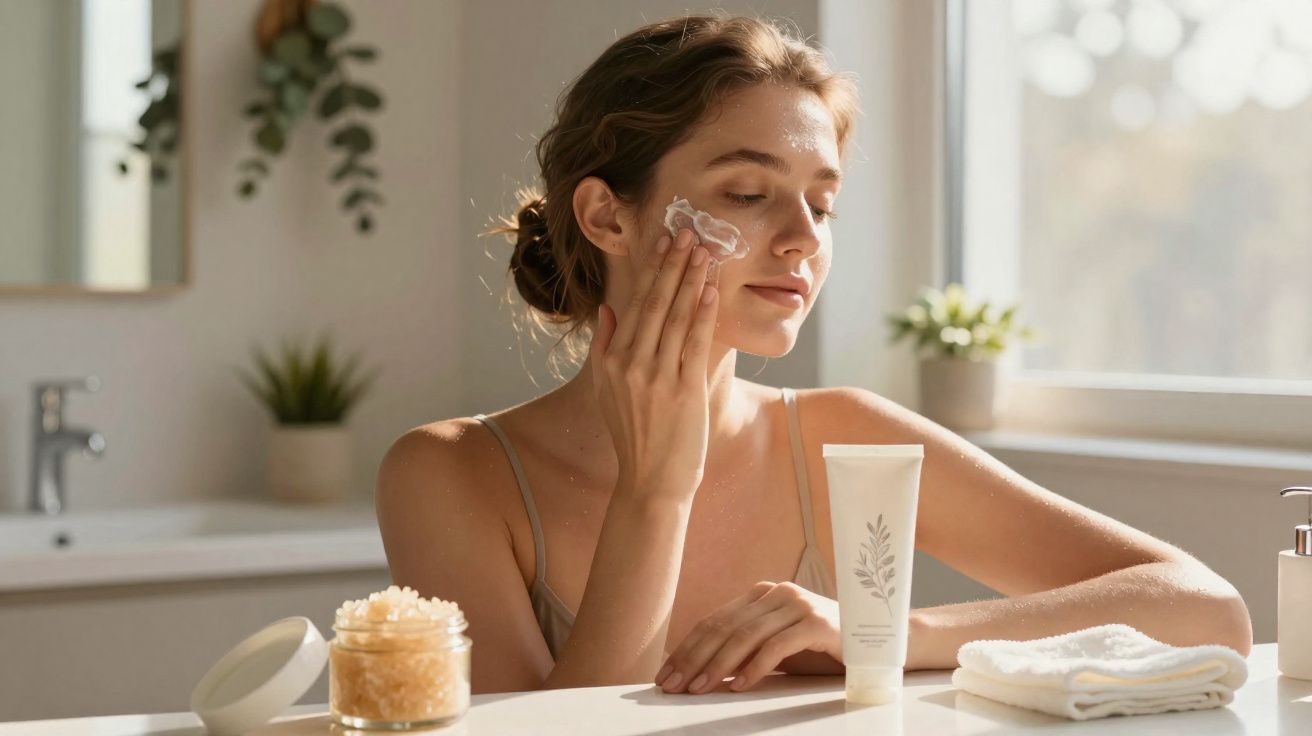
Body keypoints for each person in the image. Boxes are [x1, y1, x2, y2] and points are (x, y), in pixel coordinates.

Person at [376, 13, 1252, 696]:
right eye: (750, 193)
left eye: (822, 205)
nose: (802, 240)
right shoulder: (449, 478)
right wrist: (656, 491)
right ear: (608, 217)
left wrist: (888, 634)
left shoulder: (844, 438)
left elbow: (1207, 612)